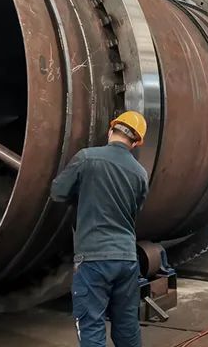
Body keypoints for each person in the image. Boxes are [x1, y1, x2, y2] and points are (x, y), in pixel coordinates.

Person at [50, 111, 149, 347]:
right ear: (135, 143)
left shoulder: (86, 158)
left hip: (93, 259)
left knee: (92, 326)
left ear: (111, 130)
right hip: (127, 259)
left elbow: (57, 192)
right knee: (127, 326)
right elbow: (134, 211)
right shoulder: (140, 174)